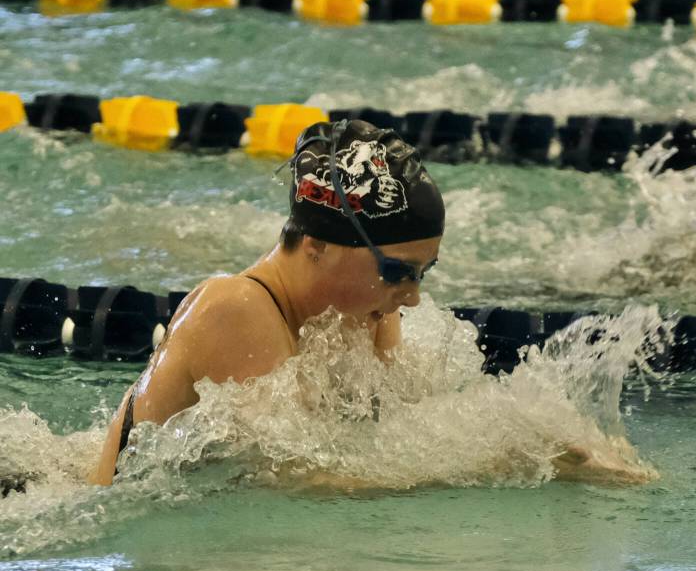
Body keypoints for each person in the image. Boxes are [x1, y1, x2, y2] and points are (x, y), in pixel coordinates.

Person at [89, 120, 646, 487]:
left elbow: (416, 425)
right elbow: (296, 479)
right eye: (396, 272)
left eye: (423, 273)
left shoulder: (358, 320)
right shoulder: (234, 308)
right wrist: (503, 463)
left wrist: (549, 435)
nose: (413, 296)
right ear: (317, 245)